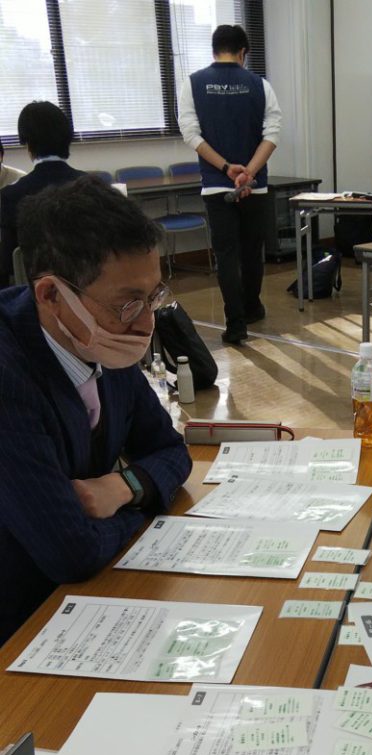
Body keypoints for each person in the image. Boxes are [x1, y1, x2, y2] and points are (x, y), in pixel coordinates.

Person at [0, 175, 192, 645]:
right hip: (20, 617)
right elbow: (72, 551)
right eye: (128, 304)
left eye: (153, 296)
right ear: (51, 295)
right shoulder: (9, 374)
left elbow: (171, 450)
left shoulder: (99, 337)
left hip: (91, 592)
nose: (146, 323)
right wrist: (145, 504)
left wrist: (123, 487)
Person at [178, 23, 282, 344]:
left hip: (215, 185)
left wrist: (226, 168)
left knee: (226, 254)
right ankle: (252, 308)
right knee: (252, 251)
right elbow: (272, 133)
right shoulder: (260, 85)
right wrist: (248, 172)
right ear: (243, 53)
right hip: (255, 185)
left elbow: (191, 135)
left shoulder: (193, 83)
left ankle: (235, 324)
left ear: (214, 50)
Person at [0, 102, 86, 287]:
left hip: (39, 291)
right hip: (89, 285)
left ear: (28, 143)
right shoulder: (92, 185)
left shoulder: (11, 195)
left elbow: (8, 262)